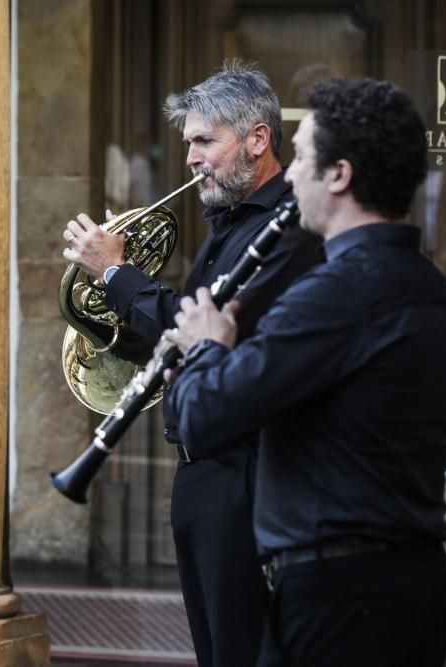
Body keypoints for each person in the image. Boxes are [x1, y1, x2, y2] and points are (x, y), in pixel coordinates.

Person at [164, 78, 446, 666]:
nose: (289, 176)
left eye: (302, 158)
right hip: (415, 581)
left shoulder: (332, 295)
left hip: (338, 596)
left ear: (338, 175)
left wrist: (207, 345)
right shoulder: (438, 294)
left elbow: (203, 415)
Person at [63, 61, 321, 666]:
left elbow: (205, 328)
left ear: (257, 140)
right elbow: (181, 333)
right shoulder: (226, 224)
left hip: (246, 475)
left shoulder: (288, 229)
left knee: (241, 649)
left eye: (205, 141)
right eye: (189, 143)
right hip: (203, 471)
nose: (191, 159)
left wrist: (118, 275)